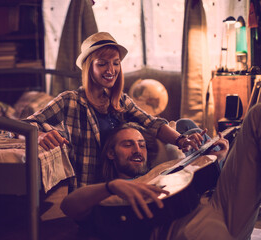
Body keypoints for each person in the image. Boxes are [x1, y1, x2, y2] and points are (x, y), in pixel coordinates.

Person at [25, 32, 205, 191]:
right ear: (89, 67)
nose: (111, 70)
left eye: (116, 63)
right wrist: (39, 135)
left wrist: (182, 140)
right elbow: (22, 127)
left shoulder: (120, 101)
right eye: (102, 64)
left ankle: (211, 172)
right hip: (98, 188)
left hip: (135, 172)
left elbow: (151, 123)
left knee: (187, 127)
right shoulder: (69, 101)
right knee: (189, 140)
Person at [61, 103, 261, 240]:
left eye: (141, 145)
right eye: (128, 145)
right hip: (189, 227)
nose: (138, 150)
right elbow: (69, 206)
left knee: (256, 114)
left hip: (222, 207)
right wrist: (111, 187)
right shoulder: (110, 198)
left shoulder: (161, 173)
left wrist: (218, 158)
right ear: (111, 154)